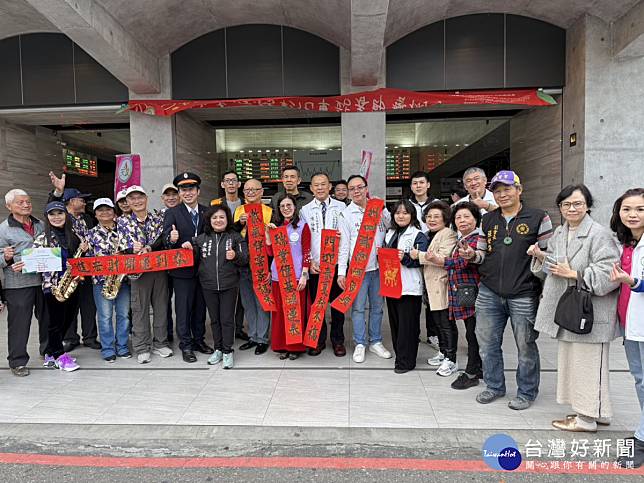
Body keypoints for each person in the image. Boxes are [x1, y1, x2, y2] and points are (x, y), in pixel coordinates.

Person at [529, 184, 619, 432]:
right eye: (566, 204)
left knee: (589, 365)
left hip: (590, 311)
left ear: (588, 205)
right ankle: (595, 411)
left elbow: (610, 272)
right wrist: (539, 257)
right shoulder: (560, 232)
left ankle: (586, 420)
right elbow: (556, 266)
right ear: (560, 207)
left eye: (577, 203)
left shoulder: (599, 234)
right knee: (576, 363)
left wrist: (576, 274)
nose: (571, 208)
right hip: (569, 309)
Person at [461, 170, 552, 410]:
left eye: (507, 189)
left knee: (525, 346)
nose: (502, 195)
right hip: (489, 292)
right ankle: (494, 386)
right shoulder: (488, 220)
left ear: (519, 190)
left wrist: (541, 255)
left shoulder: (538, 217)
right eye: (497, 190)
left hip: (523, 293)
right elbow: (481, 254)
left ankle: (526, 392)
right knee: (487, 344)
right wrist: (471, 255)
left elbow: (550, 255)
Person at [338, 174, 392, 363]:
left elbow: (390, 228)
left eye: (359, 187)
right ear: (348, 192)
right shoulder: (346, 213)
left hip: (380, 268)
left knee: (377, 307)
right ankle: (360, 343)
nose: (356, 191)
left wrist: (383, 210)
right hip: (358, 269)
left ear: (366, 188)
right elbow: (344, 245)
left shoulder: (377, 208)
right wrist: (341, 272)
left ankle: (375, 341)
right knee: (358, 308)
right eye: (352, 189)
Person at [117, 185, 172, 364]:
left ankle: (160, 343)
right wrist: (130, 248)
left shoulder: (158, 217)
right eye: (132, 198)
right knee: (139, 309)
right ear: (127, 202)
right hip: (138, 272)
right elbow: (122, 245)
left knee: (161, 307)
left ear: (146, 198)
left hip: (158, 269)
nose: (137, 201)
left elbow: (161, 239)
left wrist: (150, 247)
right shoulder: (123, 222)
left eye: (139, 197)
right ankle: (141, 347)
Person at [610, 188, 644, 468]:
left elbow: (635, 282)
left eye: (640, 209)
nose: (632, 214)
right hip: (630, 324)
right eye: (627, 209)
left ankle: (642, 439)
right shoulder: (626, 243)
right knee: (640, 380)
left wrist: (633, 283)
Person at [164, 172, 213, 363]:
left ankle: (199, 340)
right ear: (179, 193)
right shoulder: (172, 212)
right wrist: (173, 239)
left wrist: (192, 242)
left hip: (203, 269)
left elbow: (211, 237)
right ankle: (186, 344)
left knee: (200, 308)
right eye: (183, 190)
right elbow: (167, 238)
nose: (188, 193)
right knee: (183, 308)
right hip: (181, 271)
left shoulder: (207, 211)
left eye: (191, 189)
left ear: (198, 191)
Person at [191, 204, 248, 369]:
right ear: (209, 220)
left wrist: (235, 255)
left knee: (227, 319)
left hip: (229, 285)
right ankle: (218, 349)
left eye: (221, 217)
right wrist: (188, 247)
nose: (218, 220)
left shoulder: (235, 237)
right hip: (208, 285)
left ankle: (228, 350)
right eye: (214, 217)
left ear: (227, 219)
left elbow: (245, 258)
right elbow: (193, 258)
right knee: (214, 320)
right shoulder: (201, 238)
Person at [47, 172, 99, 351]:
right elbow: (50, 207)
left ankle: (90, 337)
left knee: (88, 304)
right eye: (80, 199)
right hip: (67, 269)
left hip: (87, 267)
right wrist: (57, 192)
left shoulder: (87, 218)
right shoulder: (62, 219)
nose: (84, 202)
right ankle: (70, 338)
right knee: (69, 303)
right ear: (69, 202)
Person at [0, 189, 48, 377]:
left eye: (27, 201)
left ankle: (48, 351)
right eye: (20, 202)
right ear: (9, 206)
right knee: (20, 324)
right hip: (18, 284)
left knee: (47, 319)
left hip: (44, 281)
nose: (26, 205)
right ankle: (17, 361)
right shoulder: (3, 229)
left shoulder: (40, 224)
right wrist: (6, 257)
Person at [34, 201, 85, 372]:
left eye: (59, 213)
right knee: (55, 323)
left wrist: (85, 248)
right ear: (47, 218)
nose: (56, 217)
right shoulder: (42, 239)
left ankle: (50, 353)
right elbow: (36, 264)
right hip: (53, 287)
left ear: (66, 215)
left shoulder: (75, 235)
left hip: (73, 283)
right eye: (52, 214)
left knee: (68, 320)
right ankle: (60, 356)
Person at [300, 172, 347, 356]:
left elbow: (346, 240)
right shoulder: (305, 210)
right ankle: (318, 341)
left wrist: (342, 268)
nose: (320, 188)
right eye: (316, 185)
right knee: (317, 306)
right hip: (316, 267)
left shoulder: (341, 207)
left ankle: (338, 341)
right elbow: (304, 240)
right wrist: (309, 261)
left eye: (323, 184)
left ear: (330, 187)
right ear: (311, 188)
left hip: (334, 266)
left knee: (336, 306)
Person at [411, 201, 458, 376]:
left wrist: (419, 255)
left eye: (436, 216)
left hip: (441, 284)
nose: (432, 219)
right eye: (429, 216)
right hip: (431, 286)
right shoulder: (429, 234)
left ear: (445, 218)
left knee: (446, 324)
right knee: (437, 323)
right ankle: (444, 352)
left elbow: (444, 257)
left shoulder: (448, 234)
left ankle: (451, 359)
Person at [384, 199, 428, 373]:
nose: (401, 216)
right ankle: (400, 355)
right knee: (395, 324)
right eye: (397, 213)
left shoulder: (418, 235)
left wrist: (405, 258)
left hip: (409, 287)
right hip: (391, 284)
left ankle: (406, 362)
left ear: (412, 215)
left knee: (408, 326)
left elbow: (421, 260)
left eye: (405, 213)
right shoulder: (389, 233)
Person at [442, 202, 483, 389]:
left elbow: (461, 263)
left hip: (474, 294)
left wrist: (441, 260)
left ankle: (471, 372)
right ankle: (479, 368)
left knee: (473, 333)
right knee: (472, 331)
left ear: (475, 219)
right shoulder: (462, 238)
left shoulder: (477, 239)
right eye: (458, 217)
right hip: (463, 293)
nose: (462, 220)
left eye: (467, 216)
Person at [266, 194, 311, 360]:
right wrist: (268, 235)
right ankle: (282, 345)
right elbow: (270, 252)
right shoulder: (276, 227)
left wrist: (305, 275)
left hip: (296, 276)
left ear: (294, 207)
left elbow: (307, 252)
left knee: (294, 313)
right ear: (279, 209)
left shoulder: (302, 226)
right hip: (279, 276)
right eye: (282, 206)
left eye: (289, 205)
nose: (286, 208)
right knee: (281, 314)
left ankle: (295, 347)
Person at [87, 198, 131, 362]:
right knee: (105, 317)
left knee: (123, 315)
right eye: (100, 210)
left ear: (114, 212)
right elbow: (87, 261)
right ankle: (107, 349)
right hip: (101, 283)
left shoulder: (125, 231)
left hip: (123, 281)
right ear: (96, 214)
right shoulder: (90, 234)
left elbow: (132, 253)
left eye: (108, 209)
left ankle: (122, 347)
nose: (104, 213)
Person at [233, 179, 273, 355]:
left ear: (261, 192)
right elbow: (231, 235)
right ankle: (253, 336)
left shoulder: (270, 212)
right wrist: (239, 224)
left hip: (262, 264)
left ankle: (262, 338)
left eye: (254, 190)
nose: (250, 192)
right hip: (243, 264)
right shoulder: (238, 211)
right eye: (247, 190)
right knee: (247, 302)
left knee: (262, 301)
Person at [210, 170, 248, 341]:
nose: (231, 184)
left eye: (234, 181)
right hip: (221, 255)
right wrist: (238, 224)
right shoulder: (215, 203)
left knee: (240, 295)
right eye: (227, 181)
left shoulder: (246, 204)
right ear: (222, 184)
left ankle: (238, 328)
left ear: (239, 184)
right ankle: (225, 329)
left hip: (240, 252)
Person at [408, 171, 440, 350]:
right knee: (413, 297)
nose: (418, 186)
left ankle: (433, 334)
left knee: (432, 297)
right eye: (415, 183)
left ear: (428, 185)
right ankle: (413, 333)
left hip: (432, 257)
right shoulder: (407, 205)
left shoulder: (438, 205)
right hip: (411, 257)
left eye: (421, 182)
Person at [160, 183, 179, 343]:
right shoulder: (157, 216)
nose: (171, 197)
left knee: (181, 302)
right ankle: (167, 333)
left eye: (174, 194)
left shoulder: (183, 213)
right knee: (164, 301)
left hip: (180, 266)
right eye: (167, 195)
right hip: (163, 267)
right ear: (162, 198)